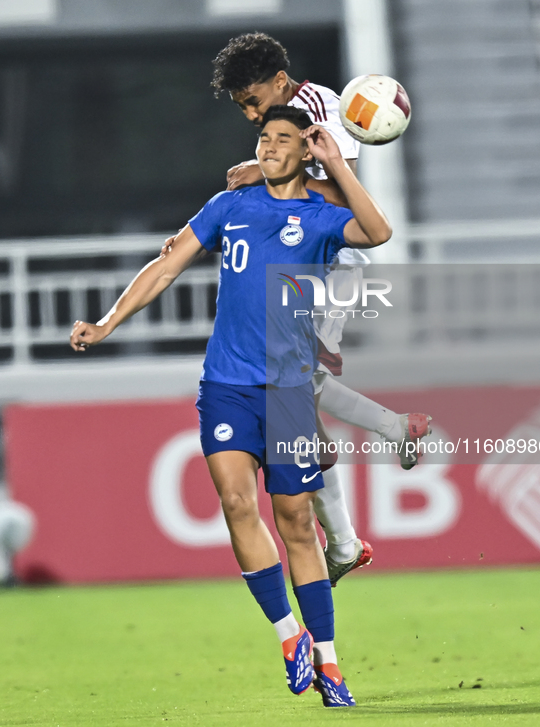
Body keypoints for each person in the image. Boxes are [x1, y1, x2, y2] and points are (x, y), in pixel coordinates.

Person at [70, 106, 391, 707]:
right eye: (263, 138)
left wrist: (337, 168)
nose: (268, 147)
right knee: (237, 502)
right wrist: (109, 322)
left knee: (297, 521)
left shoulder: (321, 217)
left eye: (283, 140)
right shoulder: (228, 207)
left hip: (290, 390)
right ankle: (289, 636)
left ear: (306, 152)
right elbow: (166, 267)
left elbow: (378, 232)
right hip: (227, 384)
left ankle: (330, 660)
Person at [209, 32, 432, 586]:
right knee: (292, 400)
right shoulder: (294, 118)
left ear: (280, 83)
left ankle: (356, 505)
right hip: (308, 271)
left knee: (293, 394)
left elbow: (336, 195)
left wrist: (263, 173)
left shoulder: (319, 108)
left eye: (253, 100)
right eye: (245, 108)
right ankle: (352, 526)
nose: (252, 114)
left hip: (330, 270)